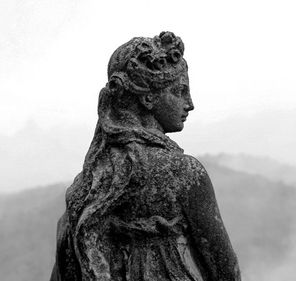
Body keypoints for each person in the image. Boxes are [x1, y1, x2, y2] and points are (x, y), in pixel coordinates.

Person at [50, 31, 241, 281]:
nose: (190, 103)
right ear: (149, 97)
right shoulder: (183, 173)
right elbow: (225, 268)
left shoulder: (87, 185)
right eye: (179, 91)